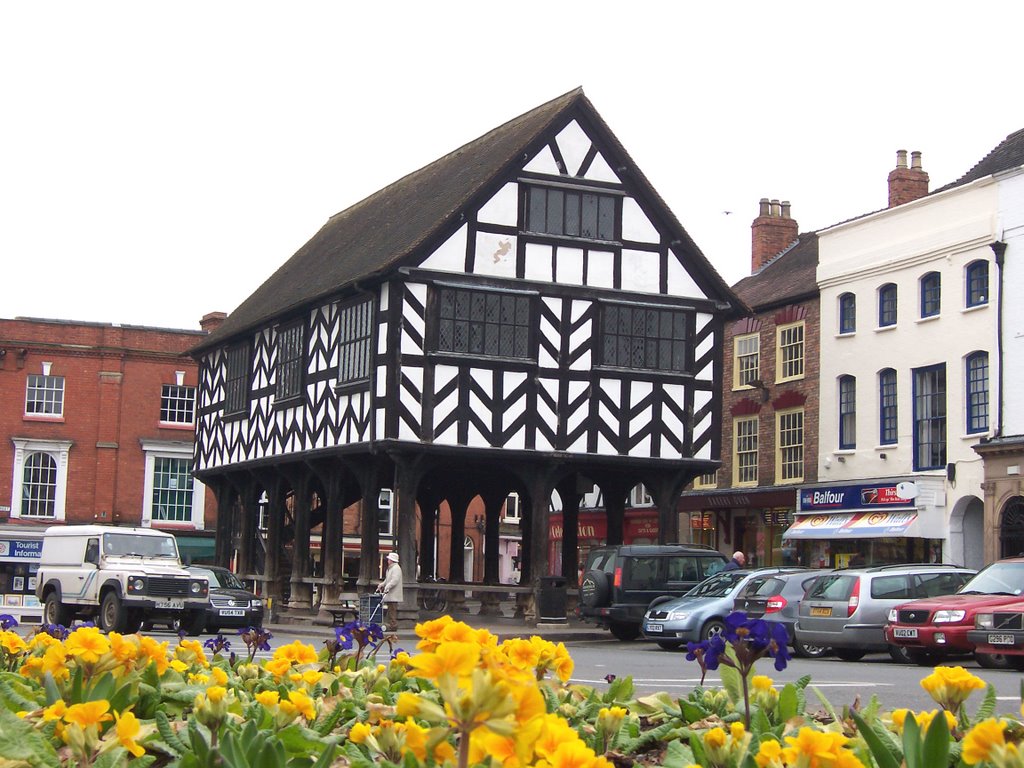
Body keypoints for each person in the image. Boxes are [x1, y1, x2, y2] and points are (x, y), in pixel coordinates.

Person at [376, 552, 403, 631]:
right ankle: (391, 624)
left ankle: (393, 625)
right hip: (390, 594)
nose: (387, 560)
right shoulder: (391, 569)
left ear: (391, 560)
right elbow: (387, 580)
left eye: (389, 559)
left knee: (392, 610)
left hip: (393, 594)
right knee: (390, 609)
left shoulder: (396, 568)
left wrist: (387, 586)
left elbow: (394, 580)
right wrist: (382, 584)